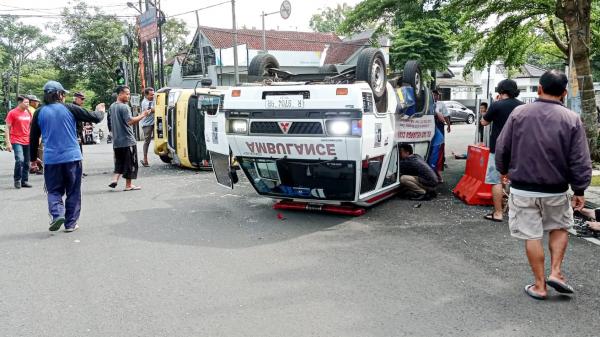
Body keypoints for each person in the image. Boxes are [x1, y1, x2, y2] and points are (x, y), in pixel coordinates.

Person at [495, 70, 591, 300]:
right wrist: (579, 189)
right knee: (559, 227)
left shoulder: (520, 113)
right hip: (556, 189)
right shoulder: (571, 119)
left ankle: (540, 286)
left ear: (539, 88)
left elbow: (502, 147)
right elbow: (580, 159)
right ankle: (556, 272)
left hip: (523, 188)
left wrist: (504, 170)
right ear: (565, 93)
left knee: (532, 235)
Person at [29, 81, 105, 232]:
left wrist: (32, 159)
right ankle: (70, 224)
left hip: (51, 160)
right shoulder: (70, 108)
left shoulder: (39, 112)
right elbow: (95, 118)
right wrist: (100, 110)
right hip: (72, 158)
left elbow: (32, 138)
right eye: (63, 93)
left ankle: (57, 214)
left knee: (54, 191)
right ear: (59, 94)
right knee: (73, 191)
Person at [480, 79, 523, 222]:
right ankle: (515, 212)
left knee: (496, 180)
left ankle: (498, 213)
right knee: (515, 180)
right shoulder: (522, 106)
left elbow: (484, 122)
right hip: (517, 148)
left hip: (498, 149)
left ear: (501, 90)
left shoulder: (497, 105)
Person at [108, 85, 149, 191]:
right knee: (130, 162)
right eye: (127, 93)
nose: (128, 96)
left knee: (120, 161)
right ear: (120, 94)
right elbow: (130, 121)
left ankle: (115, 179)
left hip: (117, 141)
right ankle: (128, 185)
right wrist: (143, 115)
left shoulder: (112, 106)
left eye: (129, 94)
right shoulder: (124, 107)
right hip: (127, 140)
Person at [4, 96, 31, 188]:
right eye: (26, 102)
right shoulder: (12, 113)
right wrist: (8, 142)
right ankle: (17, 180)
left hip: (27, 140)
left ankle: (24, 181)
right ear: (20, 103)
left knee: (27, 162)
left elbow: (30, 126)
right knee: (20, 159)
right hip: (16, 140)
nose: (28, 104)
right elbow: (7, 127)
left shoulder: (28, 112)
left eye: (28, 102)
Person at [429, 90, 451, 183]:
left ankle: (437, 172)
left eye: (436, 95)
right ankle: (432, 172)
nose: (434, 96)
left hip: (439, 127)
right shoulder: (427, 104)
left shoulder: (441, 104)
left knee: (439, 149)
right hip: (429, 127)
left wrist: (449, 125)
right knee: (430, 150)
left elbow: (445, 117)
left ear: (438, 96)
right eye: (433, 95)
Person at [139, 87, 155, 167]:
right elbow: (152, 110)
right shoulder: (145, 102)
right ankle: (145, 159)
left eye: (153, 94)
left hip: (155, 122)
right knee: (147, 141)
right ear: (146, 95)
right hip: (147, 124)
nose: (153, 96)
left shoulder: (154, 99)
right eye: (151, 95)